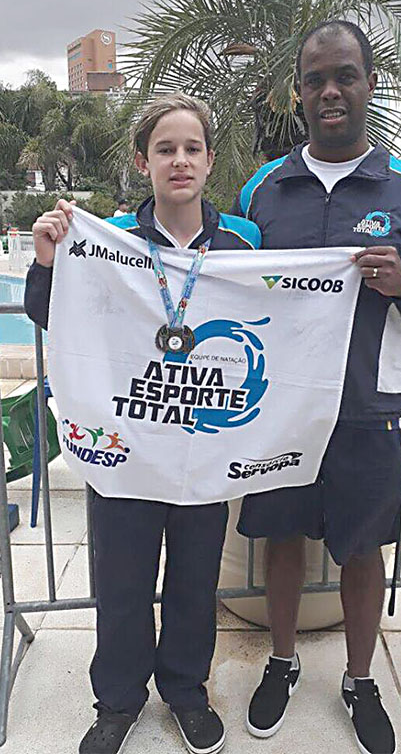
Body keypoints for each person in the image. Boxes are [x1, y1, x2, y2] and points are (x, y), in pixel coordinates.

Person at [232, 21, 401, 754]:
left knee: (363, 548)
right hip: (280, 408)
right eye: (315, 80)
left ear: (370, 83)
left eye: (344, 76)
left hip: (369, 408)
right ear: (298, 94)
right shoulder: (263, 190)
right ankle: (281, 663)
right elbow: (227, 282)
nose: (329, 91)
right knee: (280, 539)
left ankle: (360, 680)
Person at [24, 93, 261, 754]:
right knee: (121, 585)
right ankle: (118, 702)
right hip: (126, 449)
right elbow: (52, 315)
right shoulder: (111, 241)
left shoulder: (243, 244)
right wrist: (46, 261)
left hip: (204, 452)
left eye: (192, 148)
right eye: (165, 149)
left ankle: (186, 692)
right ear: (142, 161)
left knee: (194, 584)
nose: (179, 160)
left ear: (209, 161)